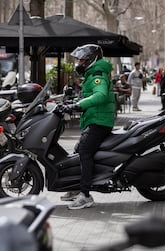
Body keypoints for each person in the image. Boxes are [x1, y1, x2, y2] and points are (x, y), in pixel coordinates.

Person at [61, 44, 115, 210]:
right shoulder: (92, 74)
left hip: (100, 121)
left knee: (84, 151)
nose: (79, 63)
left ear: (92, 60)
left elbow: (100, 95)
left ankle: (85, 195)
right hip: (95, 119)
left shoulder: (98, 75)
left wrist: (79, 105)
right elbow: (89, 96)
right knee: (78, 149)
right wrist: (71, 103)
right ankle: (77, 187)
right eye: (78, 60)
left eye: (82, 60)